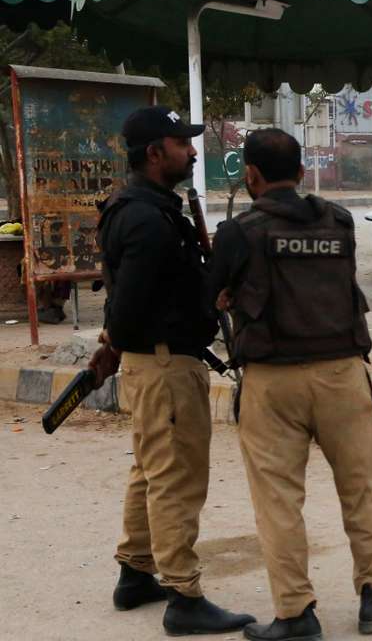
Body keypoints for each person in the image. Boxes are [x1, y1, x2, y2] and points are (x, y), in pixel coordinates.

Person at [207, 129, 372, 640]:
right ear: (299, 169)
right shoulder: (339, 221)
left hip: (272, 382)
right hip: (343, 374)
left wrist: (227, 296)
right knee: (361, 489)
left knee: (279, 502)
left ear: (251, 175)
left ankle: (296, 613)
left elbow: (211, 295)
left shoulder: (237, 231)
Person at [94, 106, 255, 636]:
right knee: (176, 479)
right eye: (180, 144)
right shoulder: (145, 217)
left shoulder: (148, 207)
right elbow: (130, 303)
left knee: (150, 470)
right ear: (153, 153)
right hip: (164, 365)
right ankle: (183, 595)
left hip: (157, 360)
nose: (191, 151)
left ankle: (136, 571)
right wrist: (112, 342)